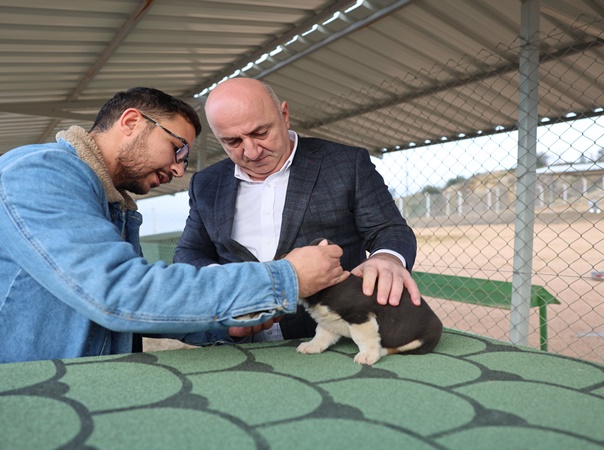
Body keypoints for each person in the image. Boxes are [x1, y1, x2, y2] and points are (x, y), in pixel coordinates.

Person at [0, 87, 348, 370]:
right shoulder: (38, 175)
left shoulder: (109, 205)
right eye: (177, 148)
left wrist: (219, 328)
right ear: (131, 122)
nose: (179, 170)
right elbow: (120, 294)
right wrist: (284, 278)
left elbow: (125, 310)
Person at [173, 78, 421, 345]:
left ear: (284, 115)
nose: (252, 152)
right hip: (238, 346)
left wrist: (387, 258)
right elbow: (190, 252)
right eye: (232, 141)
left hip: (329, 339)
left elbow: (388, 228)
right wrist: (228, 286)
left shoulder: (346, 164)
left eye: (261, 133)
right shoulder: (206, 183)